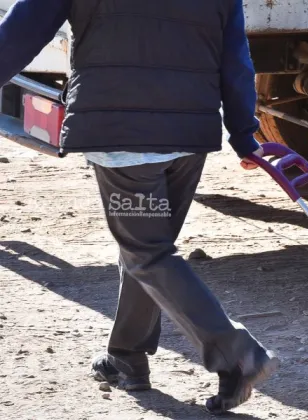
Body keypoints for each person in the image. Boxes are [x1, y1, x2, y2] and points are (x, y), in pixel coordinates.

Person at [0, 0, 278, 413]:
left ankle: (237, 353)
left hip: (123, 134)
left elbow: (21, 33)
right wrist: (243, 131)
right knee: (148, 248)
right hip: (189, 134)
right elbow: (235, 57)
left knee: (147, 252)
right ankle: (127, 356)